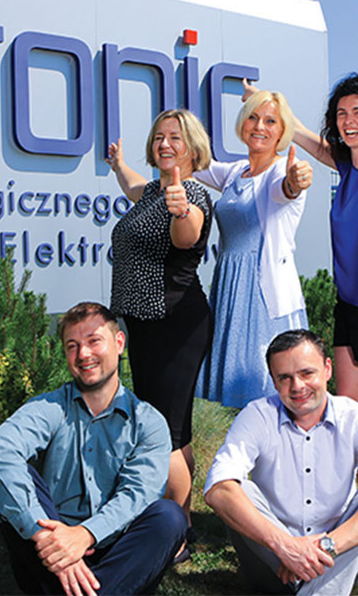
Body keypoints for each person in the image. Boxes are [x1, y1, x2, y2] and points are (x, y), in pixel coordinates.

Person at [107, 91, 315, 409]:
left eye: (270, 121)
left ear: (283, 130)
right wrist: (120, 165)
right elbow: (179, 164)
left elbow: (284, 190)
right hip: (231, 289)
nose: (259, 126)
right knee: (245, 402)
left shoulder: (278, 174)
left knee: (272, 393)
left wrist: (296, 182)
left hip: (262, 296)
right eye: (252, 117)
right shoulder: (235, 173)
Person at [250, 74, 358, 461]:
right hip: (350, 305)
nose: (348, 120)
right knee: (351, 407)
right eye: (341, 113)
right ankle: (357, 496)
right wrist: (268, 106)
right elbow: (306, 137)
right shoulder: (348, 167)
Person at [0, 302, 186, 596]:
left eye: (93, 341)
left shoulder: (148, 422)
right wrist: (54, 542)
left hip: (121, 554)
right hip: (51, 555)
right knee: (15, 477)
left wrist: (86, 535)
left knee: (169, 517)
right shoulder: (48, 407)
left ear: (119, 343)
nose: (83, 354)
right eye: (72, 346)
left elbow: (137, 495)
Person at [203, 329, 358, 595]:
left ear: (327, 369)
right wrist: (286, 547)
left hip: (338, 557)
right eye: (285, 378)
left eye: (306, 373)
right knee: (237, 488)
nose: (297, 386)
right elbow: (217, 490)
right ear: (274, 381)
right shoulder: (257, 415)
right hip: (273, 560)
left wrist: (324, 547)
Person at [107, 108, 214, 553]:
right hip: (146, 325)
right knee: (176, 430)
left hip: (174, 324)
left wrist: (181, 208)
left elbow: (187, 234)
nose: (165, 144)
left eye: (175, 137)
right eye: (159, 138)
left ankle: (176, 534)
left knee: (162, 432)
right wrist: (117, 164)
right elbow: (134, 185)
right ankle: (180, 523)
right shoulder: (152, 190)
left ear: (193, 147)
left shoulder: (190, 195)